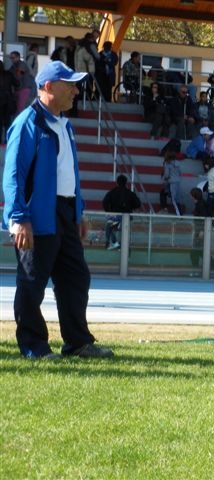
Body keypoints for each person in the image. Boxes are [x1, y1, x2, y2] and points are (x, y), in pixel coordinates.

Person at [2, 60, 114, 359]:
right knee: (32, 282)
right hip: (37, 216)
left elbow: (69, 174)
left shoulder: (65, 125)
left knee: (76, 277)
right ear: (48, 87)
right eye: (70, 85)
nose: (76, 91)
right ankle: (34, 346)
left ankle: (77, 343)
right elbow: (13, 175)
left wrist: (78, 211)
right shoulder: (28, 123)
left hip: (64, 213)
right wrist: (18, 218)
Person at [102, 174, 141, 249]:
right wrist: (131, 207)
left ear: (117, 182)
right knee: (121, 229)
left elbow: (104, 202)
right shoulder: (130, 193)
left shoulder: (112, 192)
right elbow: (138, 204)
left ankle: (111, 242)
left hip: (114, 217)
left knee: (109, 226)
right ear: (126, 183)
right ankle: (124, 245)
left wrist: (109, 211)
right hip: (127, 217)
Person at [0, 60, 19, 144]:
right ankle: (7, 140)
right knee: (8, 121)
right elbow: (17, 84)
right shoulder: (9, 74)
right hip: (8, 100)